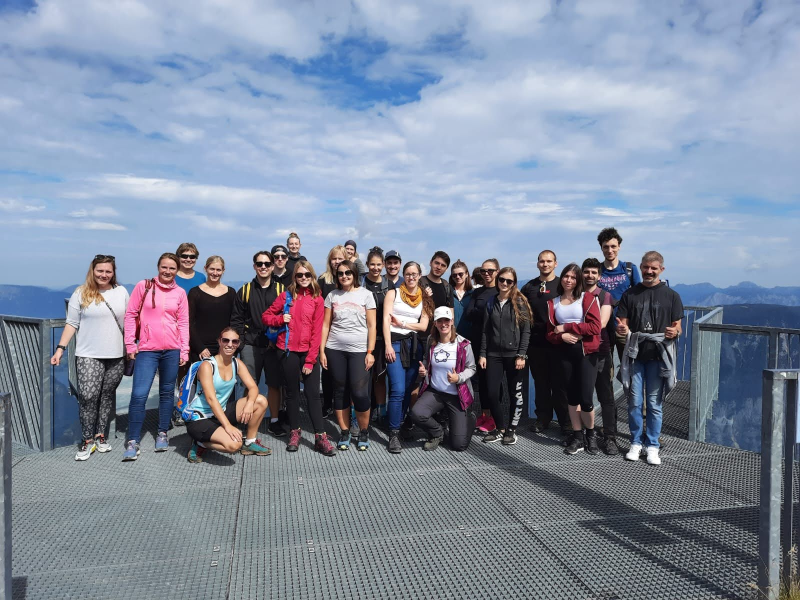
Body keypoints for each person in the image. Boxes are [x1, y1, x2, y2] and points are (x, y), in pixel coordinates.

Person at [51, 255, 130, 460]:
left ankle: (100, 435)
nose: (104, 275)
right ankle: (87, 440)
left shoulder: (121, 292)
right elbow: (72, 323)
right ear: (92, 271)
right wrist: (60, 348)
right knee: (87, 397)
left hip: (116, 354)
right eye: (100, 271)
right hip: (88, 354)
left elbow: (130, 321)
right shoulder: (81, 293)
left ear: (113, 273)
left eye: (108, 271)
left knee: (105, 396)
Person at [262, 260, 336, 456]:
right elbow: (266, 316)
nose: (303, 278)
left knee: (312, 395)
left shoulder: (318, 299)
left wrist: (311, 360)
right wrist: (279, 319)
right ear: (294, 277)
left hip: (307, 353)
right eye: (299, 275)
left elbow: (317, 331)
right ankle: (294, 433)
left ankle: (320, 437)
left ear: (312, 276)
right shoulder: (286, 296)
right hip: (287, 351)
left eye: (307, 275)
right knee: (292, 394)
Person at [616, 251, 683, 466]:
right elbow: (622, 324)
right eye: (646, 267)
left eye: (654, 268)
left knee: (654, 403)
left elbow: (677, 327)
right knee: (635, 402)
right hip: (636, 356)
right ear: (641, 268)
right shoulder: (630, 294)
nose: (649, 271)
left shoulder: (672, 296)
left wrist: (675, 333)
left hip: (657, 357)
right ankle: (636, 441)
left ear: (661, 269)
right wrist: (621, 329)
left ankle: (652, 445)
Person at [123, 253, 189, 461]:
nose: (167, 271)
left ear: (177, 270)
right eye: (164, 267)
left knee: (167, 393)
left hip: (172, 349)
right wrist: (129, 344)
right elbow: (131, 315)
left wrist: (184, 349)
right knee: (139, 394)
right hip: (147, 349)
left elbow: (183, 323)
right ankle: (133, 440)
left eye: (172, 268)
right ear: (158, 267)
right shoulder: (144, 286)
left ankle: (162, 433)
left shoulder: (180, 293)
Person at [184, 327, 272, 462]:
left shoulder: (237, 363)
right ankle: (200, 443)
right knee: (234, 445)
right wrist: (228, 426)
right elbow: (211, 400)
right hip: (200, 419)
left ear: (238, 344)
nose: (230, 344)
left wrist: (249, 404)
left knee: (260, 401)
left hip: (221, 413)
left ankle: (250, 442)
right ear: (219, 342)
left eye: (234, 341)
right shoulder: (207, 366)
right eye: (226, 340)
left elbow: (253, 387)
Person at [545, 263, 603, 456]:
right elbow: (550, 333)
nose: (569, 280)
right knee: (571, 398)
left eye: (573, 277)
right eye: (566, 276)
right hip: (564, 354)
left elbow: (595, 327)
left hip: (586, 353)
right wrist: (560, 336)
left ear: (578, 280)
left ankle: (591, 434)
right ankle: (578, 436)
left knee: (586, 398)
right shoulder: (553, 303)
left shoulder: (587, 299)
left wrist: (568, 328)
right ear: (561, 278)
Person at [320, 260, 377, 451]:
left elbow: (372, 326)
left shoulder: (366, 295)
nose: (344, 276)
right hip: (334, 348)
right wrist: (322, 351)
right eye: (341, 273)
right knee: (340, 391)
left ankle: (363, 431)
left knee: (360, 393)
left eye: (348, 273)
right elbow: (326, 325)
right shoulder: (332, 295)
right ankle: (344, 431)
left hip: (359, 350)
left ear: (354, 275)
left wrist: (370, 352)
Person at [230, 250, 286, 438]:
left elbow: (287, 318)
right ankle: (248, 419)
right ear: (254, 266)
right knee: (250, 384)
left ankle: (275, 422)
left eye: (267, 264)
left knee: (274, 385)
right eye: (259, 264)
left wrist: (277, 340)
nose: (263, 267)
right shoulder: (244, 290)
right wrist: (243, 342)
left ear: (272, 266)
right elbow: (236, 320)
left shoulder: (281, 291)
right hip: (250, 345)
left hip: (273, 345)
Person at [383, 261, 434, 454]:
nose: (411, 277)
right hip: (395, 345)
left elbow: (423, 326)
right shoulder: (393, 293)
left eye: (414, 274)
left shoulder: (425, 298)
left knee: (408, 390)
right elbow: (386, 321)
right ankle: (393, 432)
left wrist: (402, 323)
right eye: (408, 274)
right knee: (397, 389)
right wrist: (387, 345)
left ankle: (401, 424)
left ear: (420, 275)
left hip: (414, 347)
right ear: (404, 275)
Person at [478, 267, 531, 445]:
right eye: (502, 280)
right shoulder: (491, 302)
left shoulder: (519, 302)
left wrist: (522, 355)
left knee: (515, 393)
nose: (505, 284)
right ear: (497, 280)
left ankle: (512, 429)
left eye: (509, 281)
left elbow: (526, 331)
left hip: (514, 355)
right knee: (492, 393)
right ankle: (500, 428)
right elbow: (485, 330)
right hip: (493, 354)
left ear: (514, 283)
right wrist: (483, 354)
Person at [411, 307, 477, 451]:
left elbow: (472, 368)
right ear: (435, 323)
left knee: (459, 445)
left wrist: (458, 377)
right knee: (417, 413)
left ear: (452, 321)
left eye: (446, 320)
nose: (443, 324)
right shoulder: (431, 340)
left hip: (456, 396)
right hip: (436, 392)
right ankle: (438, 432)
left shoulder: (464, 344)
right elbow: (427, 362)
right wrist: (425, 370)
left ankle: (469, 419)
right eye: (439, 321)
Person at [520, 250, 570, 436]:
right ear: (537, 263)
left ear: (556, 264)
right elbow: (522, 313)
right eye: (542, 261)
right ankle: (543, 418)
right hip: (536, 343)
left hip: (558, 344)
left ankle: (565, 421)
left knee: (560, 384)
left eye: (549, 261)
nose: (545, 264)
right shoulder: (530, 287)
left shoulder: (562, 285)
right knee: (541, 384)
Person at [582, 258, 618, 454]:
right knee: (584, 396)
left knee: (606, 396)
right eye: (586, 272)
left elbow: (601, 325)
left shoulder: (605, 296)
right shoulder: (575, 295)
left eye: (593, 272)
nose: (590, 276)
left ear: (599, 275)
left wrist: (573, 328)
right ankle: (589, 434)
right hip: (581, 352)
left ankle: (610, 437)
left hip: (602, 352)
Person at [463, 259, 499, 432]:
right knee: (483, 382)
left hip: (495, 344)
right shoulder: (478, 293)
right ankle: (485, 415)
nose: (486, 274)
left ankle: (495, 417)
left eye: (490, 271)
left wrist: (482, 312)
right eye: (484, 271)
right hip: (478, 342)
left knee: (494, 383)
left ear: (497, 271)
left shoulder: (501, 289)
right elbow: (469, 313)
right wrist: (487, 312)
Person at [172, 242, 205, 426]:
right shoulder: (172, 277)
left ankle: (193, 406)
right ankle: (178, 407)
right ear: (178, 257)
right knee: (179, 371)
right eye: (184, 256)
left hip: (196, 331)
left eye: (192, 257)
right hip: (174, 331)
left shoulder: (201, 277)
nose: (188, 260)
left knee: (196, 371)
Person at [597, 227, 642, 359]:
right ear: (601, 248)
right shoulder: (596, 270)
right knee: (604, 369)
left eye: (613, 246)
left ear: (619, 247)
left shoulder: (629, 269)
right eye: (606, 247)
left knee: (629, 367)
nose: (610, 250)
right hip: (602, 327)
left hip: (625, 327)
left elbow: (638, 296)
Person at [317, 245, 348, 415]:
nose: (337, 262)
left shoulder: (350, 278)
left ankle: (341, 405)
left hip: (346, 332)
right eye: (334, 258)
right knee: (327, 372)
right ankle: (327, 403)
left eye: (340, 258)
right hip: (328, 332)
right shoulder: (323, 280)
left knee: (343, 374)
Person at [187, 256, 236, 363]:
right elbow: (189, 322)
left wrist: (230, 345)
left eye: (218, 270)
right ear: (205, 268)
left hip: (224, 346)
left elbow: (234, 321)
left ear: (223, 271)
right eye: (212, 269)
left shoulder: (231, 293)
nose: (215, 273)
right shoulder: (195, 293)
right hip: (201, 349)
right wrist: (200, 347)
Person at [361, 247, 391, 423]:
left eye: (379, 264)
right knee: (363, 379)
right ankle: (363, 413)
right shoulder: (361, 284)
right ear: (367, 264)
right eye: (372, 264)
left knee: (379, 377)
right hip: (362, 338)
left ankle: (381, 412)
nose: (376, 268)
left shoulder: (389, 285)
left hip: (382, 338)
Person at [450, 260, 473, 338]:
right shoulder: (448, 293)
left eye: (460, 274)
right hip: (451, 336)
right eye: (454, 275)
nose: (457, 277)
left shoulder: (474, 294)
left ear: (466, 274)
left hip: (469, 337)